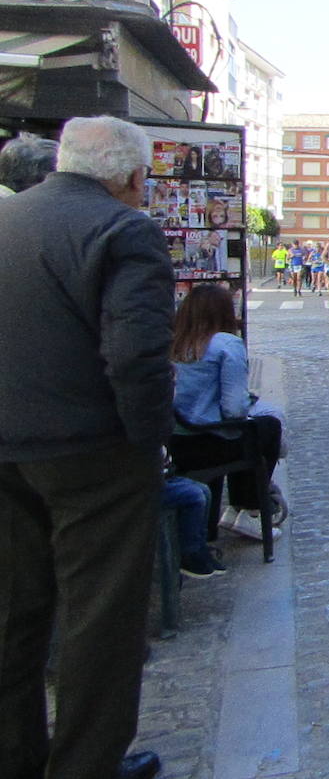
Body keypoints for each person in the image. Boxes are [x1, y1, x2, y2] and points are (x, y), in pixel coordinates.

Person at [0, 115, 171, 779]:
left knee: (15, 612)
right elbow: (136, 355)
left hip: (8, 448)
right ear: (131, 175)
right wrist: (150, 440)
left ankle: (16, 757)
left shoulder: (10, 220)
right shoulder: (124, 230)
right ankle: (84, 766)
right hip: (93, 452)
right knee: (99, 622)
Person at [167, 283, 284, 542]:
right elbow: (234, 409)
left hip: (176, 440)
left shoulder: (174, 342)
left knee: (253, 429)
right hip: (207, 440)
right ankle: (249, 507)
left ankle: (237, 509)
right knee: (267, 427)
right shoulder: (225, 344)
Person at [161, 455, 225, 579]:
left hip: (162, 476)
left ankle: (200, 546)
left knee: (204, 490)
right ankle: (188, 552)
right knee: (195, 497)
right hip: (146, 486)